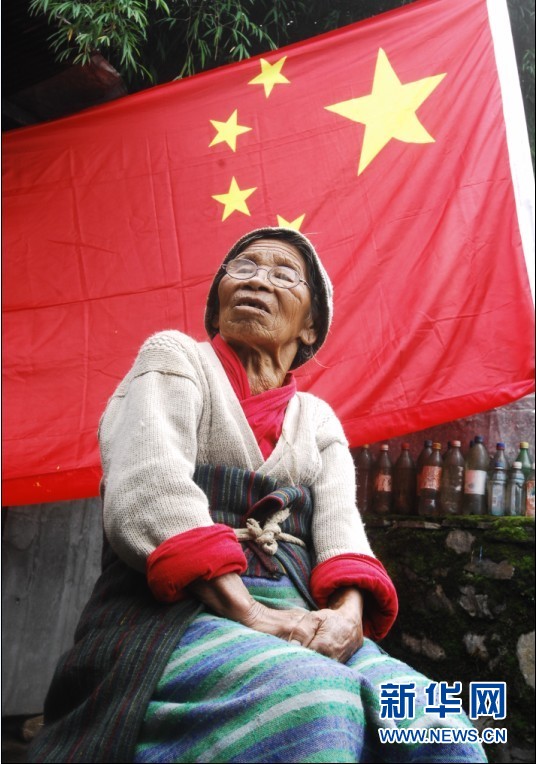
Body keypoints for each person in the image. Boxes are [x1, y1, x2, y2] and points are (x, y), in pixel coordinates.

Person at [29, 227, 487, 763]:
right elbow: (150, 491)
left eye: (283, 274)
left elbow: (343, 532)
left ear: (310, 325)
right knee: (312, 701)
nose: (257, 281)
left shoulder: (318, 420)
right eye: (243, 268)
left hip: (299, 611)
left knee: (442, 725)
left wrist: (346, 617)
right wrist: (253, 616)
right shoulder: (174, 359)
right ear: (218, 301)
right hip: (172, 615)